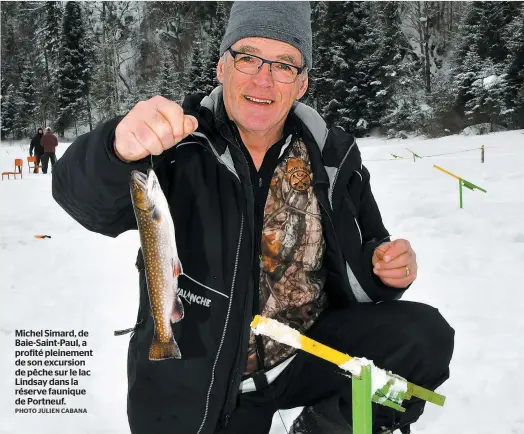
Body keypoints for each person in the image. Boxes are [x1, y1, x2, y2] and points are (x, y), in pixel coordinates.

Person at [52, 2, 454, 434]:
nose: (263, 79)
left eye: (284, 65)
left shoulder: (333, 155)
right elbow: (83, 200)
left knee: (423, 337)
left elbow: (369, 246)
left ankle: (324, 427)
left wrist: (387, 267)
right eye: (248, 57)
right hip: (207, 377)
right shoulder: (178, 146)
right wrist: (116, 149)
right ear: (223, 66)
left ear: (301, 84)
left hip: (305, 350)